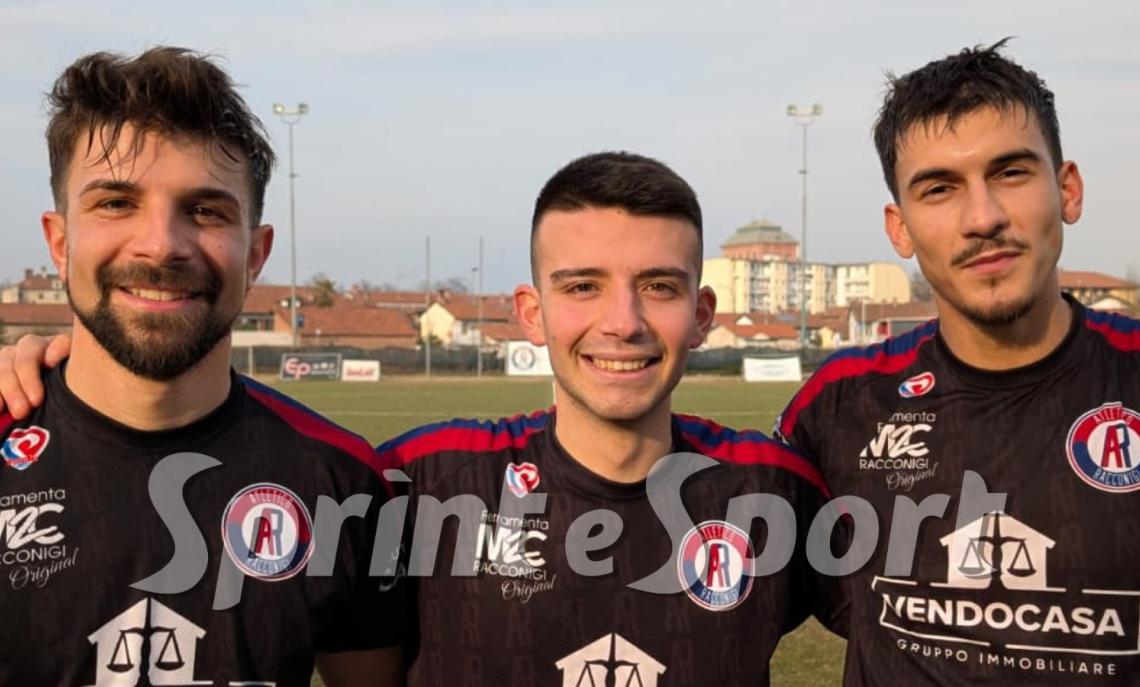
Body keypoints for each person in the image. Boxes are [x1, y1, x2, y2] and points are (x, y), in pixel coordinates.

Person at [0, 151, 834, 685]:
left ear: (705, 312)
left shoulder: (778, 490)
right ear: (531, 313)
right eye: (582, 286)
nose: (622, 321)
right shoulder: (415, 481)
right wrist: (60, 355)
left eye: (659, 285)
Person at [0, 48, 405, 686]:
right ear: (58, 241)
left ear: (256, 253)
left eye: (207, 210)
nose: (161, 244)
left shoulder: (344, 480)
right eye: (115, 203)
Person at [775, 40, 1140, 684]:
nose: (982, 218)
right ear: (901, 229)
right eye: (939, 188)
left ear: (1068, 190)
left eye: (1011, 173)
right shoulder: (839, 405)